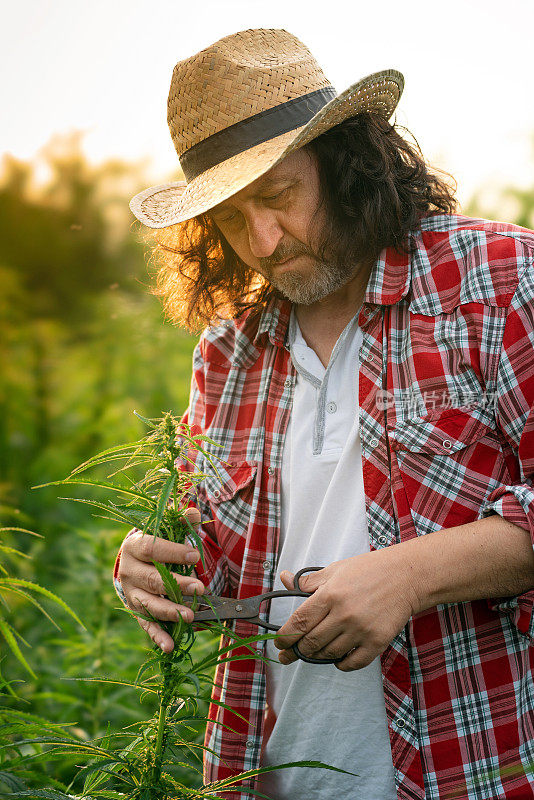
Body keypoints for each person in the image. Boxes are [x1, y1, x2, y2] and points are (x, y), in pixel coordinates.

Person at [113, 28, 534, 800]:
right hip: (260, 775)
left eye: (279, 197)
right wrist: (156, 560)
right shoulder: (227, 352)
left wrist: (408, 577)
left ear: (348, 161)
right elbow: (214, 550)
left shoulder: (502, 282)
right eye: (233, 219)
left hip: (468, 770)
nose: (263, 242)